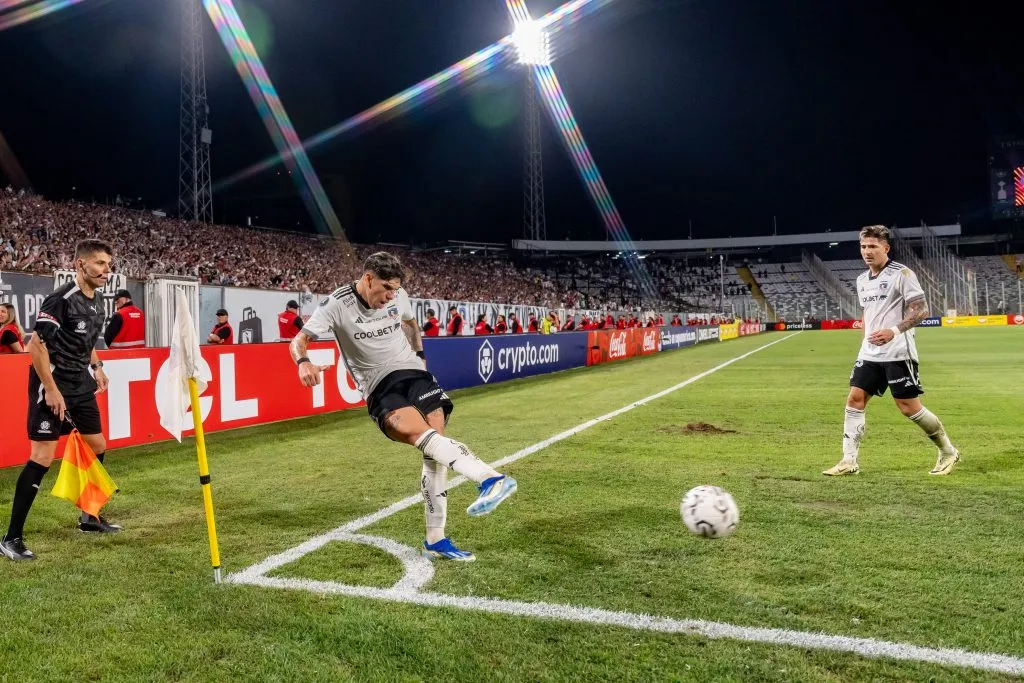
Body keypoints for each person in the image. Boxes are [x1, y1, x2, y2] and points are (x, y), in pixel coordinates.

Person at [290, 252, 517, 561]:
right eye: (386, 289)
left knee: (435, 452)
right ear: (368, 279)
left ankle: (435, 539)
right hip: (379, 386)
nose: (391, 297)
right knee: (420, 437)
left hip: (415, 373)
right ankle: (491, 479)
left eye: (395, 290)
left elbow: (410, 324)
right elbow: (298, 341)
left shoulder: (399, 297)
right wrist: (303, 363)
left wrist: (420, 357)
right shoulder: (337, 305)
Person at [2, 239, 120, 562]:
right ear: (81, 264)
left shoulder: (98, 303)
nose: (106, 270)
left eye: (109, 264)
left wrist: (96, 367)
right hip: (50, 384)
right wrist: (51, 389)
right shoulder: (61, 299)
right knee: (42, 456)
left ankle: (89, 516)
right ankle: (11, 537)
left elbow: (88, 340)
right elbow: (35, 345)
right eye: (100, 263)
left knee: (97, 445)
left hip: (80, 384)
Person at [823, 225, 960, 477]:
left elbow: (921, 310)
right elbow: (869, 313)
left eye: (873, 246)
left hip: (898, 352)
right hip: (869, 354)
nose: (867, 251)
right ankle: (848, 460)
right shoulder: (862, 280)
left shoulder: (902, 274)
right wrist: (866, 336)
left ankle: (948, 451)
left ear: (886, 248)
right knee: (854, 400)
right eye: (863, 246)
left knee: (908, 407)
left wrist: (893, 331)